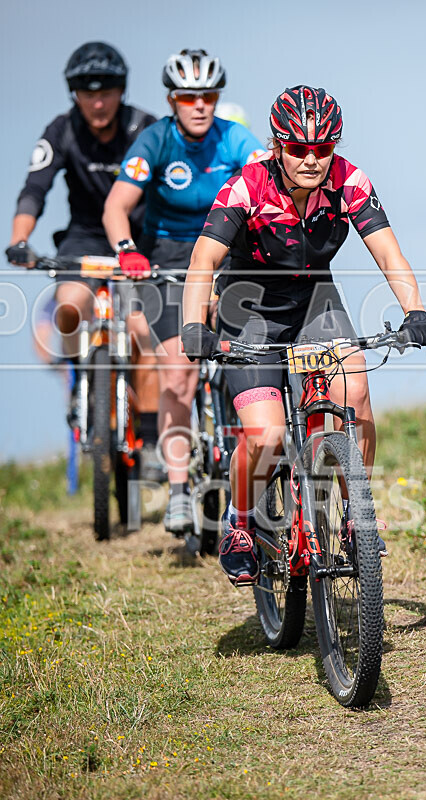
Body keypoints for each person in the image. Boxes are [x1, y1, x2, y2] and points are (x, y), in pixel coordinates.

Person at [181, 85, 426, 586]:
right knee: (267, 432)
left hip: (313, 300)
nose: (311, 160)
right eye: (298, 149)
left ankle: (354, 516)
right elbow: (203, 260)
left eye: (323, 149)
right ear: (277, 145)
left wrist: (415, 311)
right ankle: (238, 522)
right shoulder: (246, 188)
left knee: (356, 392)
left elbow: (389, 253)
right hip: (248, 305)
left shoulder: (350, 181)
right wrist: (194, 327)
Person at [103, 48, 265, 537]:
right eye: (189, 97)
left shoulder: (234, 137)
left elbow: (265, 181)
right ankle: (177, 491)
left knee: (257, 349)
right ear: (173, 100)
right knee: (178, 375)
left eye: (208, 96)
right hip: (171, 259)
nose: (200, 106)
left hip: (228, 252)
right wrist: (128, 249)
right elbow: (116, 207)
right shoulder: (154, 140)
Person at [6, 41, 160, 462]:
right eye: (87, 92)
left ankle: (146, 437)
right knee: (70, 305)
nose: (98, 101)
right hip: (85, 237)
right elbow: (34, 190)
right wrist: (20, 240)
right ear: (73, 93)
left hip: (139, 239)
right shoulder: (61, 130)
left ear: (122, 90)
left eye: (107, 90)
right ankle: (82, 378)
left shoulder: (145, 127)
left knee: (143, 331)